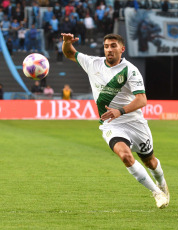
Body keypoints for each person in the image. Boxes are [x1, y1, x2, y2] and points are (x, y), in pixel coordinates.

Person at [61, 32, 170, 209]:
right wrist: (66, 42)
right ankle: (156, 193)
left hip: (135, 123)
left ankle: (162, 183)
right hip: (112, 124)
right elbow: (69, 53)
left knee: (150, 161)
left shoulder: (130, 70)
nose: (109, 50)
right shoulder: (93, 63)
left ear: (122, 49)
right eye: (106, 46)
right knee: (125, 156)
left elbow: (142, 100)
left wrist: (120, 111)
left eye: (113, 46)